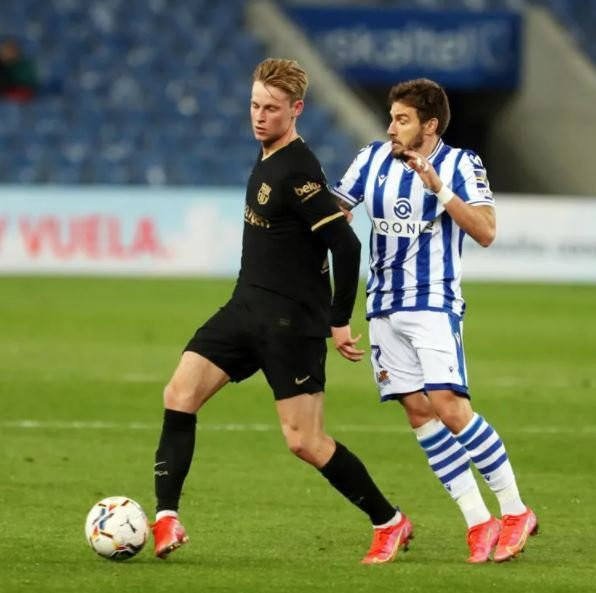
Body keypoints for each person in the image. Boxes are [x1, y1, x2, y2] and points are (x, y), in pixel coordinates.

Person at [151, 58, 412, 565]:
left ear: (296, 110)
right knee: (179, 393)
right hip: (246, 306)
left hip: (291, 323)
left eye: (271, 108)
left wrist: (338, 320)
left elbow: (347, 246)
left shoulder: (296, 171)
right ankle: (166, 518)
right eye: (254, 105)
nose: (259, 116)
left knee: (305, 442)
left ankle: (390, 521)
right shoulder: (268, 153)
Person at [332, 78, 538, 563]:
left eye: (402, 119)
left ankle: (514, 511)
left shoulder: (461, 163)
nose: (391, 127)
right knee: (418, 411)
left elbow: (486, 231)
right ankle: (478, 522)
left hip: (433, 302)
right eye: (391, 117)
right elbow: (336, 212)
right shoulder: (371, 159)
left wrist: (439, 189)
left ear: (429, 125)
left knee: (447, 404)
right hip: (382, 305)